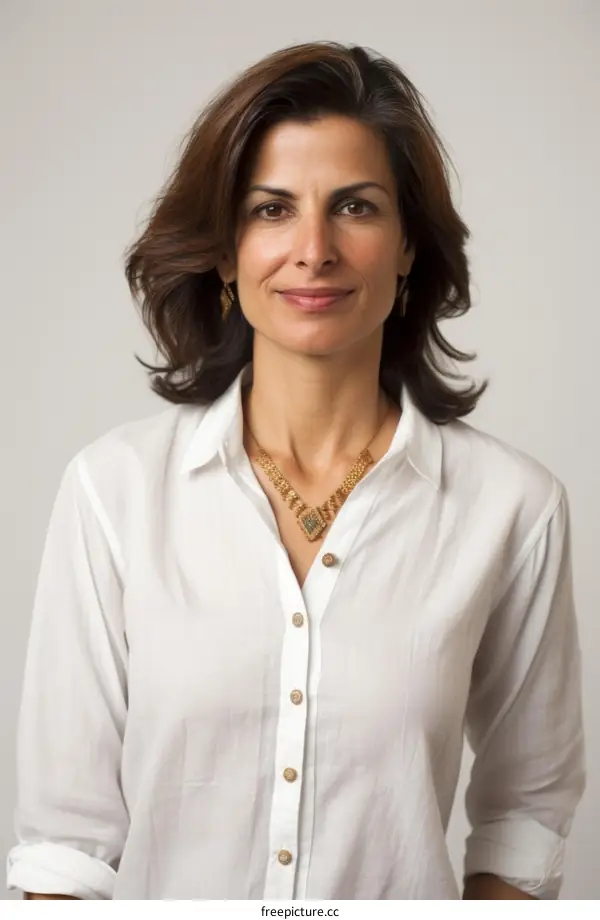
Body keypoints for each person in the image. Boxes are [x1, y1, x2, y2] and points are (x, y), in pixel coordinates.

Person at [6, 40, 585, 901]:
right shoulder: (113, 492)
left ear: (408, 246)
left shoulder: (512, 508)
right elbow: (66, 847)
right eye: (271, 210)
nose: (313, 250)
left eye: (355, 206)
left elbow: (527, 816)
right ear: (225, 250)